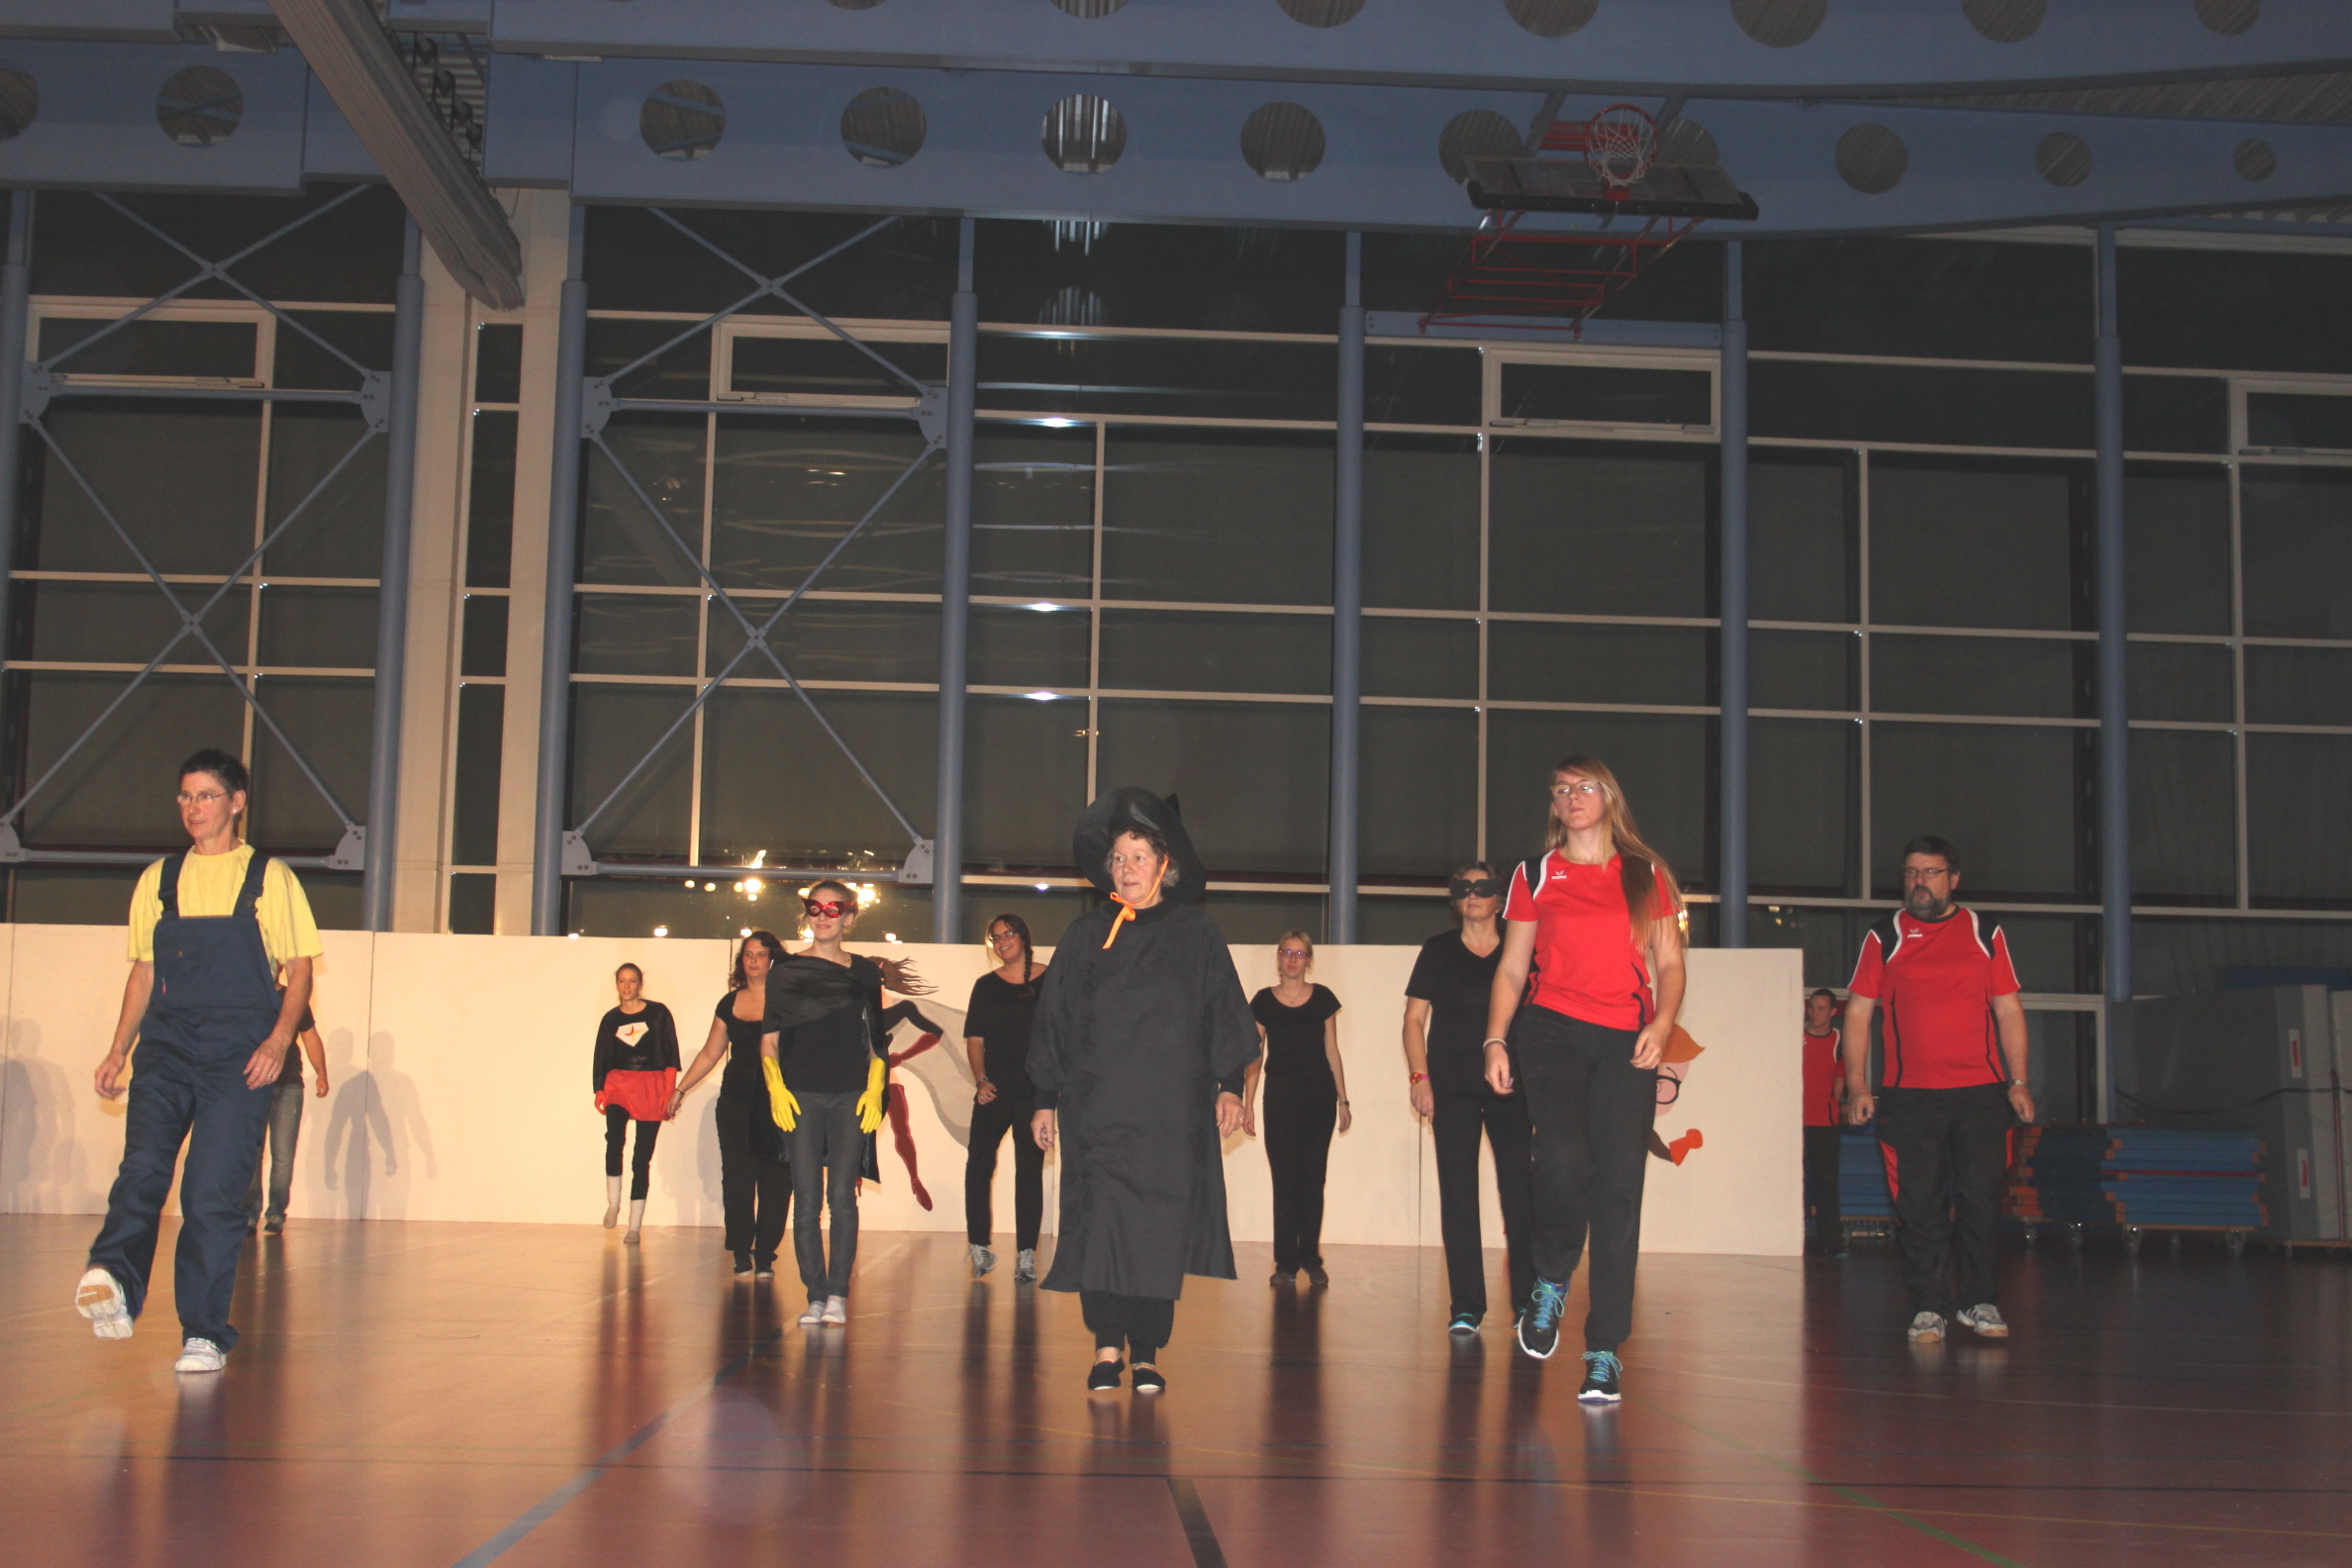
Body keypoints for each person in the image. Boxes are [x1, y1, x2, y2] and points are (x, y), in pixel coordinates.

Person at [76, 747, 322, 1374]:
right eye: (185, 796)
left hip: (240, 1057)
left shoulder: (269, 878)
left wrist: (278, 1042)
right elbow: (144, 972)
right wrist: (118, 1049)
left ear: (236, 803)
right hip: (166, 1049)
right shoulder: (159, 879)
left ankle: (203, 1333)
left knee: (211, 1194)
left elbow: (298, 971)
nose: (193, 807)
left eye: (206, 796)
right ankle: (113, 1281)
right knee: (142, 1169)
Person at [1029, 787, 1255, 1396]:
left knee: (1157, 1232)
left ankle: (1148, 1353)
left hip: (1170, 1117)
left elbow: (1224, 1013)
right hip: (1096, 1115)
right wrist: (1045, 1098)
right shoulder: (1085, 936)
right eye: (1118, 858)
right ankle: (1107, 1346)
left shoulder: (1196, 934)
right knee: (1100, 1226)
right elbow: (1053, 1021)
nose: (1126, 868)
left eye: (1139, 857)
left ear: (1164, 865)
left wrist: (1229, 1086)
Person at [1483, 755, 1686, 1405]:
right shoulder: (1535, 874)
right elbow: (1512, 968)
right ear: (1554, 805)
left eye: (1585, 787)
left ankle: (1604, 1350)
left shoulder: (1646, 875)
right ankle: (1550, 1280)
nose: (1573, 797)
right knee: (1563, 1155)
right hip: (1551, 1030)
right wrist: (1495, 1038)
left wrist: (1663, 1023)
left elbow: (1670, 963)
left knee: (1619, 1190)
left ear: (1609, 797)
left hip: (1626, 1038)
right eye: (1562, 790)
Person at [1842, 835, 2032, 1344]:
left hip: (1981, 1094)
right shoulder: (1884, 936)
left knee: (1980, 1201)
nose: (1918, 882)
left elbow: (2008, 1009)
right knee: (1919, 1207)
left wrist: (2018, 1082)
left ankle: (1978, 1300)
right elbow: (1857, 1013)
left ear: (1953, 879)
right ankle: (1929, 1307)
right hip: (1910, 1097)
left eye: (1929, 872)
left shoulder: (1984, 932)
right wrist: (1858, 1085)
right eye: (1911, 873)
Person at [1404, 862, 1532, 1335]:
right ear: (1454, 899)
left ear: (1500, 898)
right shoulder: (1438, 950)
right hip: (1451, 1088)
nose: (1473, 895)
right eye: (1463, 888)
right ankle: (1466, 1306)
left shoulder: (1521, 949)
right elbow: (1413, 1020)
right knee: (1458, 1194)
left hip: (1510, 1086)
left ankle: (1526, 1303)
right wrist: (1420, 1078)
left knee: (1519, 1193)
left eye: (1482, 887)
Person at [763, 881, 891, 1329]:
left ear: (849, 917)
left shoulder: (865, 972)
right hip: (801, 1094)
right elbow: (769, 1039)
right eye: (815, 908)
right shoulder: (785, 970)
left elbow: (876, 1038)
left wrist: (876, 1086)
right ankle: (814, 1295)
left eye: (833, 909)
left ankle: (837, 1293)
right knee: (806, 1200)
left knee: (842, 1198)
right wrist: (776, 1086)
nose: (823, 916)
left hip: (851, 1093)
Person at [671, 931, 791, 1280]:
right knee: (737, 1179)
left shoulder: (790, 1002)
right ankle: (741, 1251)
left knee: (776, 1181)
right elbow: (711, 1053)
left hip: (779, 1105)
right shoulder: (729, 1003)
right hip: (736, 1103)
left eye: (760, 954)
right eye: (747, 955)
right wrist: (680, 1090)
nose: (753, 961)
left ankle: (765, 1254)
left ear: (773, 959)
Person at [1244, 931, 1349, 1289]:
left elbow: (1332, 1050)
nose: (1293, 959)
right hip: (1280, 1099)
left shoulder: (1323, 998)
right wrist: (1247, 1104)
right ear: (1278, 957)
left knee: (1313, 1179)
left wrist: (1343, 1100)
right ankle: (1286, 1263)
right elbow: (1254, 1055)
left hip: (1319, 1098)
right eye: (1287, 952)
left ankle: (1311, 1259)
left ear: (1309, 960)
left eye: (1300, 953)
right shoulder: (1263, 1001)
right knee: (1285, 1180)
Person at [965, 914, 1047, 1283]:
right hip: (994, 1092)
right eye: (995, 937)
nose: (1002, 942)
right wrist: (981, 1079)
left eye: (1008, 934)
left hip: (1034, 1092)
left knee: (1029, 1172)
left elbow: (1063, 1036)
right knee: (978, 1166)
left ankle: (1026, 1255)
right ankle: (979, 1246)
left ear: (1023, 937)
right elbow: (975, 1040)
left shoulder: (1052, 979)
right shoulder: (985, 986)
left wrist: (1053, 1089)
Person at [592, 962, 679, 1243]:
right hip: (618, 1083)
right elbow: (601, 1056)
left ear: (640, 984)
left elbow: (670, 1054)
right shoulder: (610, 1019)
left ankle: (634, 1225)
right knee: (614, 1139)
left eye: (632, 981)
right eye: (622, 981)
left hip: (650, 1085)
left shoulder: (658, 1013)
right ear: (616, 984)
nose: (627, 986)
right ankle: (613, 1202)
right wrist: (599, 1089)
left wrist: (668, 1091)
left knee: (641, 1158)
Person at [242, 1003, 327, 1236]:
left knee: (283, 1155)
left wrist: (321, 1072)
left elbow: (310, 1037)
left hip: (288, 1086)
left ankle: (276, 1214)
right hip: (253, 1086)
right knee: (251, 1153)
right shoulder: (249, 997)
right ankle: (249, 1214)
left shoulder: (293, 1000)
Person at [1801, 987, 1847, 1257]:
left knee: (1827, 1185)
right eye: (1812, 1007)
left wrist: (1832, 1104)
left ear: (1832, 1012)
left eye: (1821, 1009)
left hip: (1825, 1123)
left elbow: (1840, 1078)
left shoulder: (1839, 1040)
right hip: (1795, 1124)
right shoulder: (1796, 1036)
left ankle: (1832, 1243)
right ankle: (1793, 1240)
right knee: (1795, 1184)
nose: (1814, 1013)